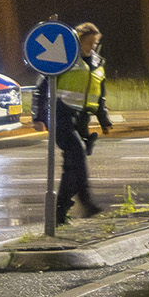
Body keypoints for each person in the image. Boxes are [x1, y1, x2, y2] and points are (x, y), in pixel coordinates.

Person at [48, 22, 111, 222]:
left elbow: (99, 95)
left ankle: (60, 212)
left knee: (72, 167)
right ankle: (85, 202)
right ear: (77, 41)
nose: (92, 47)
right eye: (88, 43)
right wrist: (38, 116)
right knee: (77, 157)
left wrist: (104, 120)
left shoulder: (97, 62)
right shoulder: (65, 60)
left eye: (95, 43)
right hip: (62, 115)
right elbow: (44, 86)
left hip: (82, 120)